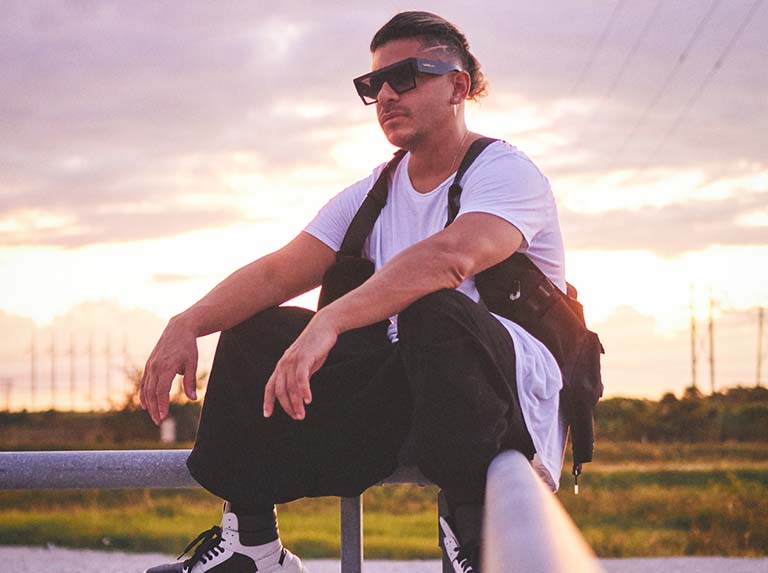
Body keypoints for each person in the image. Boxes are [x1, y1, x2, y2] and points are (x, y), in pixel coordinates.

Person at [142, 11, 566, 573]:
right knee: (256, 329)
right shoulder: (374, 192)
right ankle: (251, 546)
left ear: (457, 86)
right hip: (412, 389)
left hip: (505, 395)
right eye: (373, 84)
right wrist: (188, 322)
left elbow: (450, 259)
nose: (386, 95)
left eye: (405, 77)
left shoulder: (505, 173)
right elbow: (278, 273)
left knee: (435, 311)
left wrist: (331, 320)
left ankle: (473, 534)